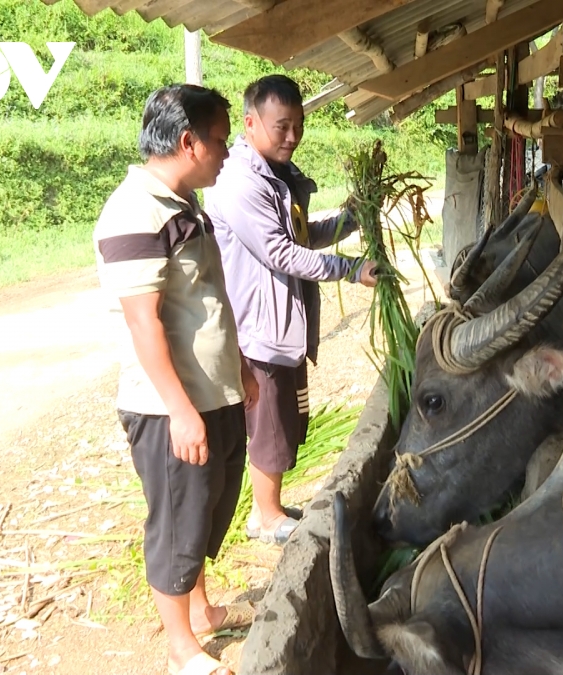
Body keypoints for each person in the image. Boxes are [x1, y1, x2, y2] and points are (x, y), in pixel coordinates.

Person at [93, 83, 257, 675]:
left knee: (208, 508)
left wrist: (237, 370)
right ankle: (180, 647)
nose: (226, 152)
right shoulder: (134, 213)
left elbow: (207, 302)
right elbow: (145, 325)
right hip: (171, 407)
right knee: (177, 522)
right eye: (220, 141)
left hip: (212, 392)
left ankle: (204, 609)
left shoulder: (184, 205)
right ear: (188, 142)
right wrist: (181, 410)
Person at [203, 74, 377, 546]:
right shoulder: (239, 180)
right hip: (260, 324)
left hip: (283, 321)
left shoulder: (275, 175)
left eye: (298, 126)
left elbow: (302, 237)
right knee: (269, 424)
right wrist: (351, 269)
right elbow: (280, 253)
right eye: (282, 126)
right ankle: (266, 516)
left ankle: (268, 508)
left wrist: (351, 218)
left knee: (284, 418)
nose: (292, 136)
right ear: (250, 123)